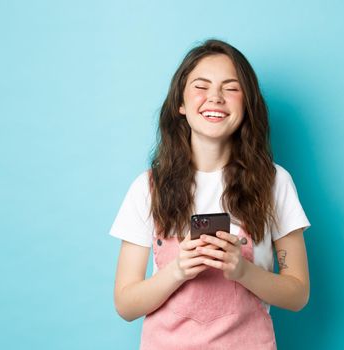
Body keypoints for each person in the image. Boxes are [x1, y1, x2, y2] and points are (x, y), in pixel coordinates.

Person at [109, 39, 311, 350]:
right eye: (201, 86)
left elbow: (298, 295)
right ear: (180, 103)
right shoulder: (147, 188)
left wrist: (242, 270)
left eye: (231, 88)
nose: (215, 97)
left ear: (247, 105)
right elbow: (126, 304)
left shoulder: (275, 182)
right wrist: (178, 270)